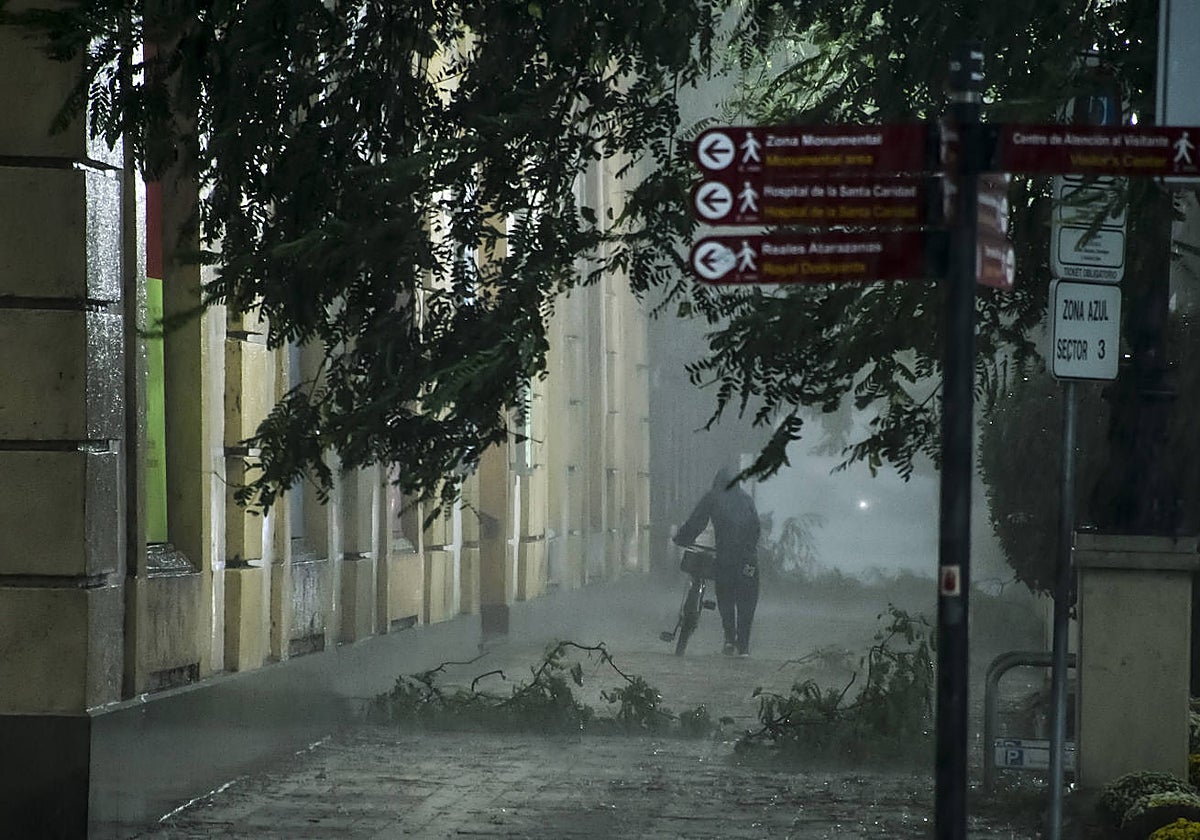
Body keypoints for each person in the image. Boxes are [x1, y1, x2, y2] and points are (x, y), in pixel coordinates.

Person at [673, 467, 761, 656]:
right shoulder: (747, 500)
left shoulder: (713, 497)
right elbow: (756, 529)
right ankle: (743, 646)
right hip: (749, 561)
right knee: (747, 600)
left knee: (726, 597)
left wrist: (681, 539)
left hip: (725, 558)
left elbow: (696, 522)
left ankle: (729, 640)